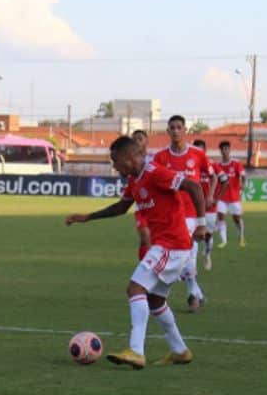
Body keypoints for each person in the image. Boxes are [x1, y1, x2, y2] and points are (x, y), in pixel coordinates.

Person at [66, 135, 207, 368]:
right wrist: (87, 218)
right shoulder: (135, 180)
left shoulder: (155, 173)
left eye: (115, 160)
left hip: (172, 245)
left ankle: (136, 350)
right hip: (169, 247)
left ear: (130, 157)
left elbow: (192, 186)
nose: (114, 166)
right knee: (154, 300)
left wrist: (201, 223)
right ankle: (180, 350)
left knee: (135, 288)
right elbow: (121, 207)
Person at [150, 115, 226, 312]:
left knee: (189, 257)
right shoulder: (160, 158)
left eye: (179, 127)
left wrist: (209, 195)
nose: (175, 131)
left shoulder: (197, 155)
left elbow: (213, 176)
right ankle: (196, 292)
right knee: (180, 258)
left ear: (185, 131)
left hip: (192, 214)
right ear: (168, 132)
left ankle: (193, 295)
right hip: (170, 216)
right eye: (172, 128)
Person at [193, 139, 225, 270]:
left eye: (201, 150)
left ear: (205, 151)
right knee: (191, 236)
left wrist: (216, 198)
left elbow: (225, 181)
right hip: (193, 207)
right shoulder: (189, 165)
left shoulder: (213, 165)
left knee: (207, 235)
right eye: (196, 150)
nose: (199, 152)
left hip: (210, 208)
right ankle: (191, 265)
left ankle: (206, 254)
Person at [214, 140, 246, 247]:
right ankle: (224, 241)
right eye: (223, 149)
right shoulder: (217, 165)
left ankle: (241, 237)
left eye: (226, 149)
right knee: (221, 217)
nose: (225, 151)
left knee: (236, 218)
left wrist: (243, 184)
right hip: (221, 197)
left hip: (234, 197)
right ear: (220, 151)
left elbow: (243, 175)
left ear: (229, 150)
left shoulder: (236, 163)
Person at [131, 130, 152, 260]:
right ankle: (144, 267)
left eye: (140, 139)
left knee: (153, 240)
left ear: (146, 141)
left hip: (156, 206)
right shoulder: (131, 161)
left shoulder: (155, 159)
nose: (137, 142)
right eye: (134, 140)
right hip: (141, 205)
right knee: (145, 236)